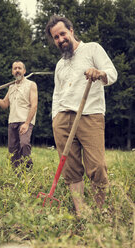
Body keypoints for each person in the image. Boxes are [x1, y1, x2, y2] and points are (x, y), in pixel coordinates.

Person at [45, 15, 118, 216]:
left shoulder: (92, 49)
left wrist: (100, 73)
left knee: (97, 166)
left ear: (71, 30)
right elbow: (57, 94)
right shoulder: (60, 64)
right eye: (56, 37)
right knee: (71, 168)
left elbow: (112, 73)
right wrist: (55, 118)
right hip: (63, 119)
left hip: (90, 115)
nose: (60, 39)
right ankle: (82, 212)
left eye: (62, 34)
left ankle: (100, 211)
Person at [0, 61, 38, 173]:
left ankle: (28, 171)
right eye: (15, 68)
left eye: (19, 68)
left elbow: (34, 105)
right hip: (12, 121)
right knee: (13, 150)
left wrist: (27, 123)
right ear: (12, 71)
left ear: (24, 71)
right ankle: (17, 175)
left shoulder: (31, 84)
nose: (17, 70)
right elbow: (4, 105)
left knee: (24, 144)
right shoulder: (11, 87)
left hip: (25, 121)